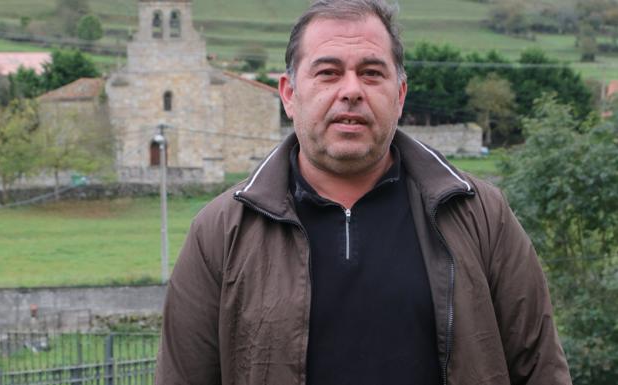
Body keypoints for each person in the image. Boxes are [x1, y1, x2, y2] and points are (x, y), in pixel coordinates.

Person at [155, 1, 572, 384]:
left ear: (400, 95)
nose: (351, 90)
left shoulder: (481, 215)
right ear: (289, 94)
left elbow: (540, 369)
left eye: (372, 73)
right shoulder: (220, 233)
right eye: (328, 72)